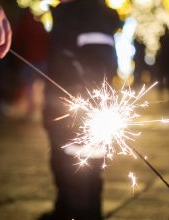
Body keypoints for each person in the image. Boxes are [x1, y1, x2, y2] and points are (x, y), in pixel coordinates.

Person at [41, 0, 120, 219]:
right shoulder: (70, 14)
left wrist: (86, 108)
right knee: (64, 170)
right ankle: (65, 210)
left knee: (81, 177)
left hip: (81, 117)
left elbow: (99, 65)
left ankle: (79, 213)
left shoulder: (89, 14)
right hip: (64, 114)